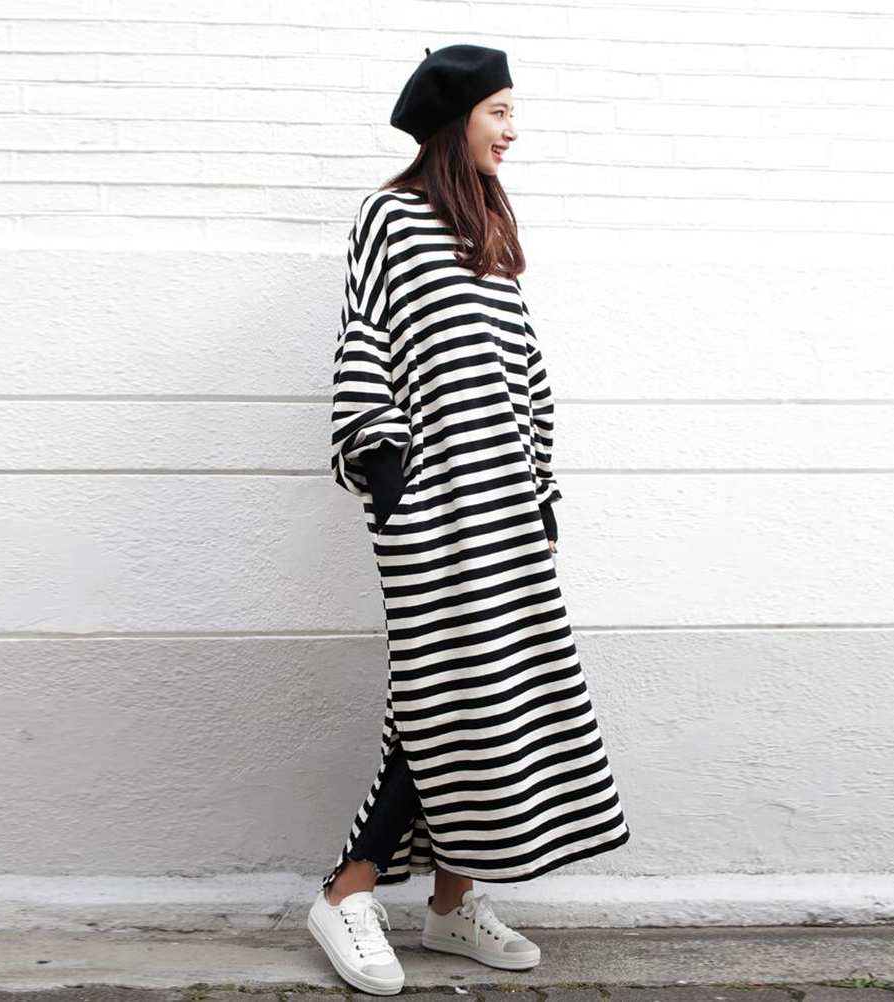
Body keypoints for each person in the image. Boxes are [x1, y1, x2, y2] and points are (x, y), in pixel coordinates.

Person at [306, 43, 630, 997]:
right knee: (444, 692)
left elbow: (524, 369)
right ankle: (347, 891)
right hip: (432, 504)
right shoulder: (391, 217)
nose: (513, 129)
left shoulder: (487, 226)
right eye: (500, 111)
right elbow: (364, 336)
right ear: (457, 120)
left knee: (493, 693)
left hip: (506, 508)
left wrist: (541, 489)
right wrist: (387, 468)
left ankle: (450, 904)